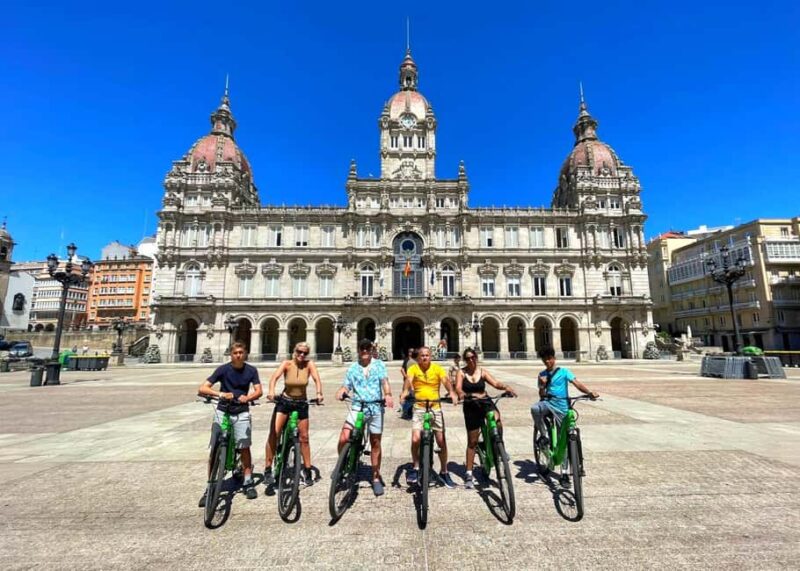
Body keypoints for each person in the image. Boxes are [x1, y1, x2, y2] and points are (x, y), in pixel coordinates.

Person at [197, 342, 263, 506]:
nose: (238, 355)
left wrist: (248, 398)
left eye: (241, 352)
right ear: (231, 354)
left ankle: (247, 481)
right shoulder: (223, 369)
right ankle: (210, 486)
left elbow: (259, 391)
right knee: (215, 449)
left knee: (244, 447)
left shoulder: (251, 371)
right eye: (235, 353)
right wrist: (220, 394)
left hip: (241, 411)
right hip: (222, 411)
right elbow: (203, 388)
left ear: (245, 354)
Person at [335, 339, 394, 496]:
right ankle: (342, 464)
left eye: (368, 348)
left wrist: (387, 394)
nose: (365, 350)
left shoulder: (379, 365)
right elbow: (347, 385)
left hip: (375, 407)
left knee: (375, 442)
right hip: (357, 406)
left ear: (372, 349)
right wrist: (341, 390)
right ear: (359, 350)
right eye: (362, 348)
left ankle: (375, 478)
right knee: (343, 438)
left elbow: (385, 382)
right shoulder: (353, 367)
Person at [531, 346, 598, 480]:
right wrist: (542, 385)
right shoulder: (542, 375)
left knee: (564, 440)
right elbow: (541, 394)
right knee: (535, 408)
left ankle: (565, 472)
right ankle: (544, 436)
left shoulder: (564, 372)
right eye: (545, 360)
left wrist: (589, 393)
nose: (547, 362)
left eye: (549, 359)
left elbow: (577, 384)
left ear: (554, 359)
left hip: (563, 407)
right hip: (548, 404)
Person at [263, 341, 324, 488]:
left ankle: (307, 470)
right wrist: (271, 392)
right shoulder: (287, 364)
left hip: (301, 403)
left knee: (304, 437)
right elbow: (274, 378)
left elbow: (316, 379)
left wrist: (319, 393)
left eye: (304, 353)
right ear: (294, 351)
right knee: (275, 433)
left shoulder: (309, 365)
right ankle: (267, 468)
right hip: (285, 402)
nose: (302, 355)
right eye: (299, 352)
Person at [455, 348, 516, 489]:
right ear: (465, 360)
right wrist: (463, 395)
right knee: (472, 441)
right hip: (471, 405)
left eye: (473, 357)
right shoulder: (461, 373)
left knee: (497, 421)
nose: (471, 360)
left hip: (485, 402)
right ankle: (469, 473)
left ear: (476, 357)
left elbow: (495, 383)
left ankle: (500, 447)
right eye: (468, 358)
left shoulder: (482, 371)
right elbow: (458, 388)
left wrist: (505, 387)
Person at [399, 346, 458, 488]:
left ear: (430, 356)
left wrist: (451, 392)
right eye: (422, 355)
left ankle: (444, 471)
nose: (424, 357)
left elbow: (445, 381)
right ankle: (416, 467)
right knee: (415, 439)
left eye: (427, 355)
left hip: (435, 408)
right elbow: (408, 381)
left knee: (441, 441)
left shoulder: (437, 369)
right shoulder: (413, 369)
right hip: (419, 407)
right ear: (418, 357)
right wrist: (405, 392)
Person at [398, 347, 418, 420]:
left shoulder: (412, 361)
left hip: (409, 381)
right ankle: (406, 412)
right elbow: (404, 370)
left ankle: (408, 412)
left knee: (410, 397)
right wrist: (407, 377)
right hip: (410, 382)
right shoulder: (411, 362)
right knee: (409, 397)